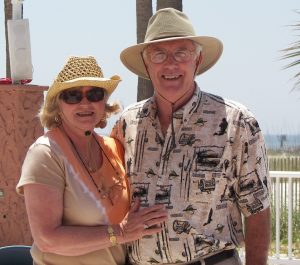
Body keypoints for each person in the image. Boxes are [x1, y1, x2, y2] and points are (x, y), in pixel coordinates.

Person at [111, 8, 271, 265]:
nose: (170, 64)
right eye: (159, 54)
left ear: (197, 61)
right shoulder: (125, 124)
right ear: (146, 64)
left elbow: (257, 211)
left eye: (181, 53)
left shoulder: (237, 122)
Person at [16, 56, 167, 265]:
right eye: (73, 95)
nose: (85, 103)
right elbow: (47, 240)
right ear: (58, 104)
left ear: (104, 102)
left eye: (94, 94)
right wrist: (120, 233)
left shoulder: (114, 147)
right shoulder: (46, 153)